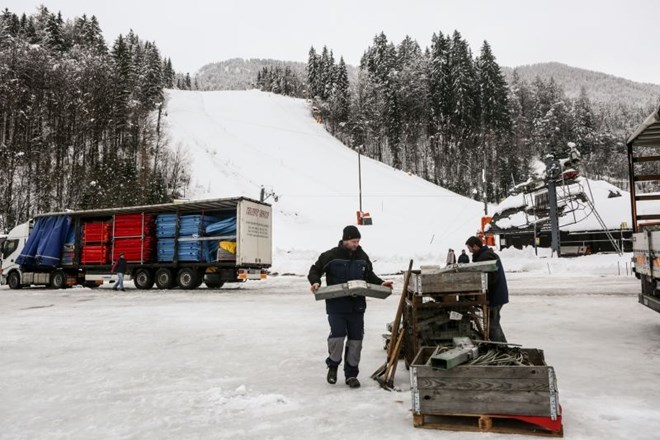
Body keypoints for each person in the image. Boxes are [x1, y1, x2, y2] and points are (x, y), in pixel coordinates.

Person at [308, 225, 393, 389]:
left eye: (358, 241)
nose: (356, 244)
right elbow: (315, 270)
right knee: (338, 337)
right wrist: (315, 282)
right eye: (354, 241)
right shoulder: (330, 256)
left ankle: (351, 375)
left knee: (356, 341)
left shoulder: (362, 256)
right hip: (336, 306)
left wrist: (382, 283)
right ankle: (333, 366)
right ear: (345, 240)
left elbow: (369, 276)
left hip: (357, 307)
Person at [465, 236, 508, 342]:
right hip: (496, 295)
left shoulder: (486, 256)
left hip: (495, 296)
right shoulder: (486, 255)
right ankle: (502, 346)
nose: (469, 251)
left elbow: (490, 278)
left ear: (475, 246)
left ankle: (500, 347)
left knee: (492, 325)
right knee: (493, 323)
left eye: (469, 248)